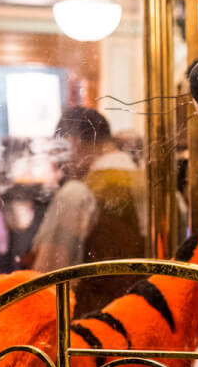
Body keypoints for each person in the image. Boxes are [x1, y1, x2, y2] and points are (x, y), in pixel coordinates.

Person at [30, 107, 145, 312]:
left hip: (91, 332)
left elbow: (45, 281)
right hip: (152, 326)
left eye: (60, 149)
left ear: (73, 141)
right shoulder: (160, 192)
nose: (60, 163)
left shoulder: (77, 194)